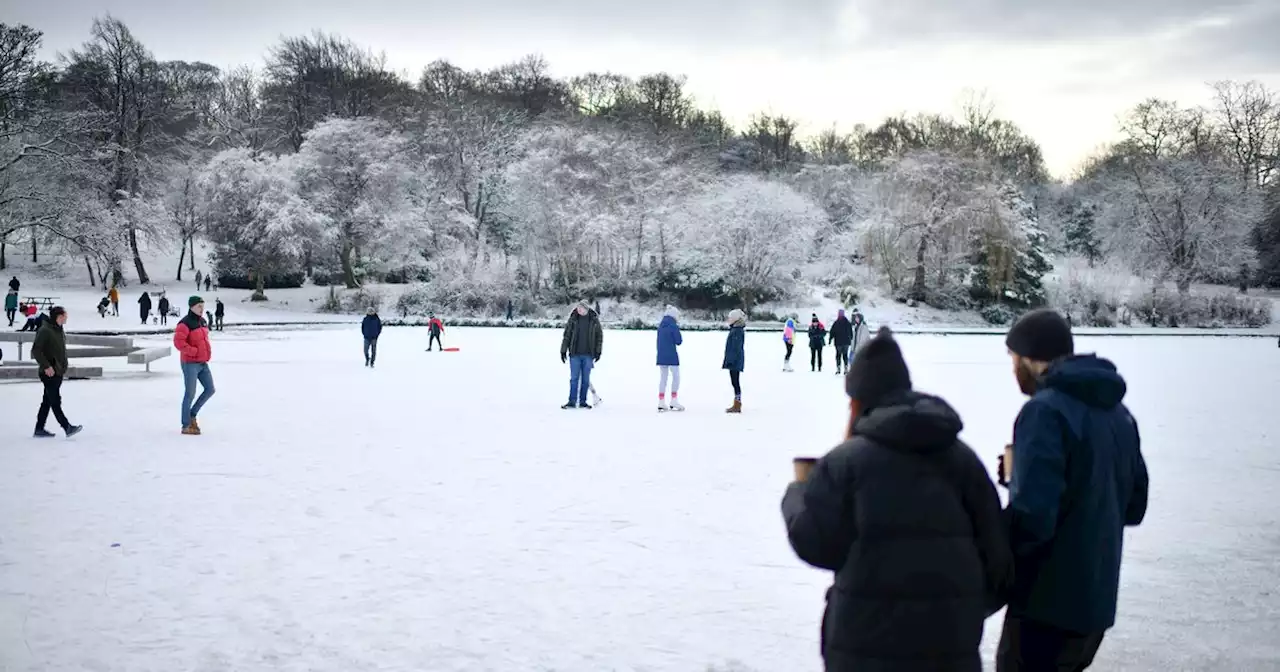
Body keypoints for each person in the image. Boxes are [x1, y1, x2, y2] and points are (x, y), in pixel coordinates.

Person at [781, 326, 1011, 672]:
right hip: (949, 650)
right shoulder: (962, 458)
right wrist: (958, 615)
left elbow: (816, 544)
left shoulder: (846, 462)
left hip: (863, 648)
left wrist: (797, 495)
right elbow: (998, 560)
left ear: (856, 403)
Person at [997, 309, 1149, 671]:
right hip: (1094, 604)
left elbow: (1034, 516)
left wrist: (992, 565)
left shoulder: (1044, 412)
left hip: (1045, 605)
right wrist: (1018, 476)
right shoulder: (1118, 414)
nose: (1012, 368)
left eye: (1013, 358)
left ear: (1030, 358)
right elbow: (1134, 505)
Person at [31, 307, 83, 438]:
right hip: (49, 372)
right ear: (58, 317)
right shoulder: (45, 331)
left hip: (58, 371)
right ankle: (67, 427)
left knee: (47, 401)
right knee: (55, 401)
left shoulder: (58, 330)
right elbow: (36, 350)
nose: (66, 318)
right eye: (65, 315)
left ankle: (39, 428)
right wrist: (47, 366)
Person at [174, 296, 215, 435]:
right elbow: (179, 343)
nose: (201, 309)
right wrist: (194, 351)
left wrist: (205, 353)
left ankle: (192, 414)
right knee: (190, 393)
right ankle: (186, 425)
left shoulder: (202, 322)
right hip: (190, 363)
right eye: (199, 306)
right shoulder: (184, 324)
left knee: (210, 389)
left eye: (202, 306)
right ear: (191, 307)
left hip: (202, 362)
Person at [559, 300, 603, 409]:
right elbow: (567, 335)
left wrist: (598, 351)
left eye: (581, 308)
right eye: (578, 308)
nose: (579, 310)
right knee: (574, 378)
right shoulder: (573, 319)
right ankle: (572, 401)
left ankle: (583, 401)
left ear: (586, 309)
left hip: (588, 355)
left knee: (585, 379)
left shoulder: (594, 320)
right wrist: (563, 350)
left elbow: (599, 337)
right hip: (575, 354)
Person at [656, 305, 684, 412]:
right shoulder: (673, 326)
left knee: (663, 378)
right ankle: (674, 399)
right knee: (676, 377)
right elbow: (679, 341)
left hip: (661, 355)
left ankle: (661, 401)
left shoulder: (661, 325)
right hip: (672, 355)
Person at [723, 309, 746, 413]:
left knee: (735, 382)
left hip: (735, 361)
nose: (729, 320)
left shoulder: (737, 331)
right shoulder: (735, 329)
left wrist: (731, 360)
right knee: (734, 381)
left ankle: (737, 403)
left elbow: (735, 348)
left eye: (730, 318)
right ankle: (737, 402)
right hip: (734, 360)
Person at [828, 309, 854, 374]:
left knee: (838, 355)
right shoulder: (848, 322)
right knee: (845, 355)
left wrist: (830, 339)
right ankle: (845, 367)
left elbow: (832, 332)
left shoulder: (836, 322)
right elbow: (851, 332)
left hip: (838, 342)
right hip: (846, 342)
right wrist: (851, 338)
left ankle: (838, 367)